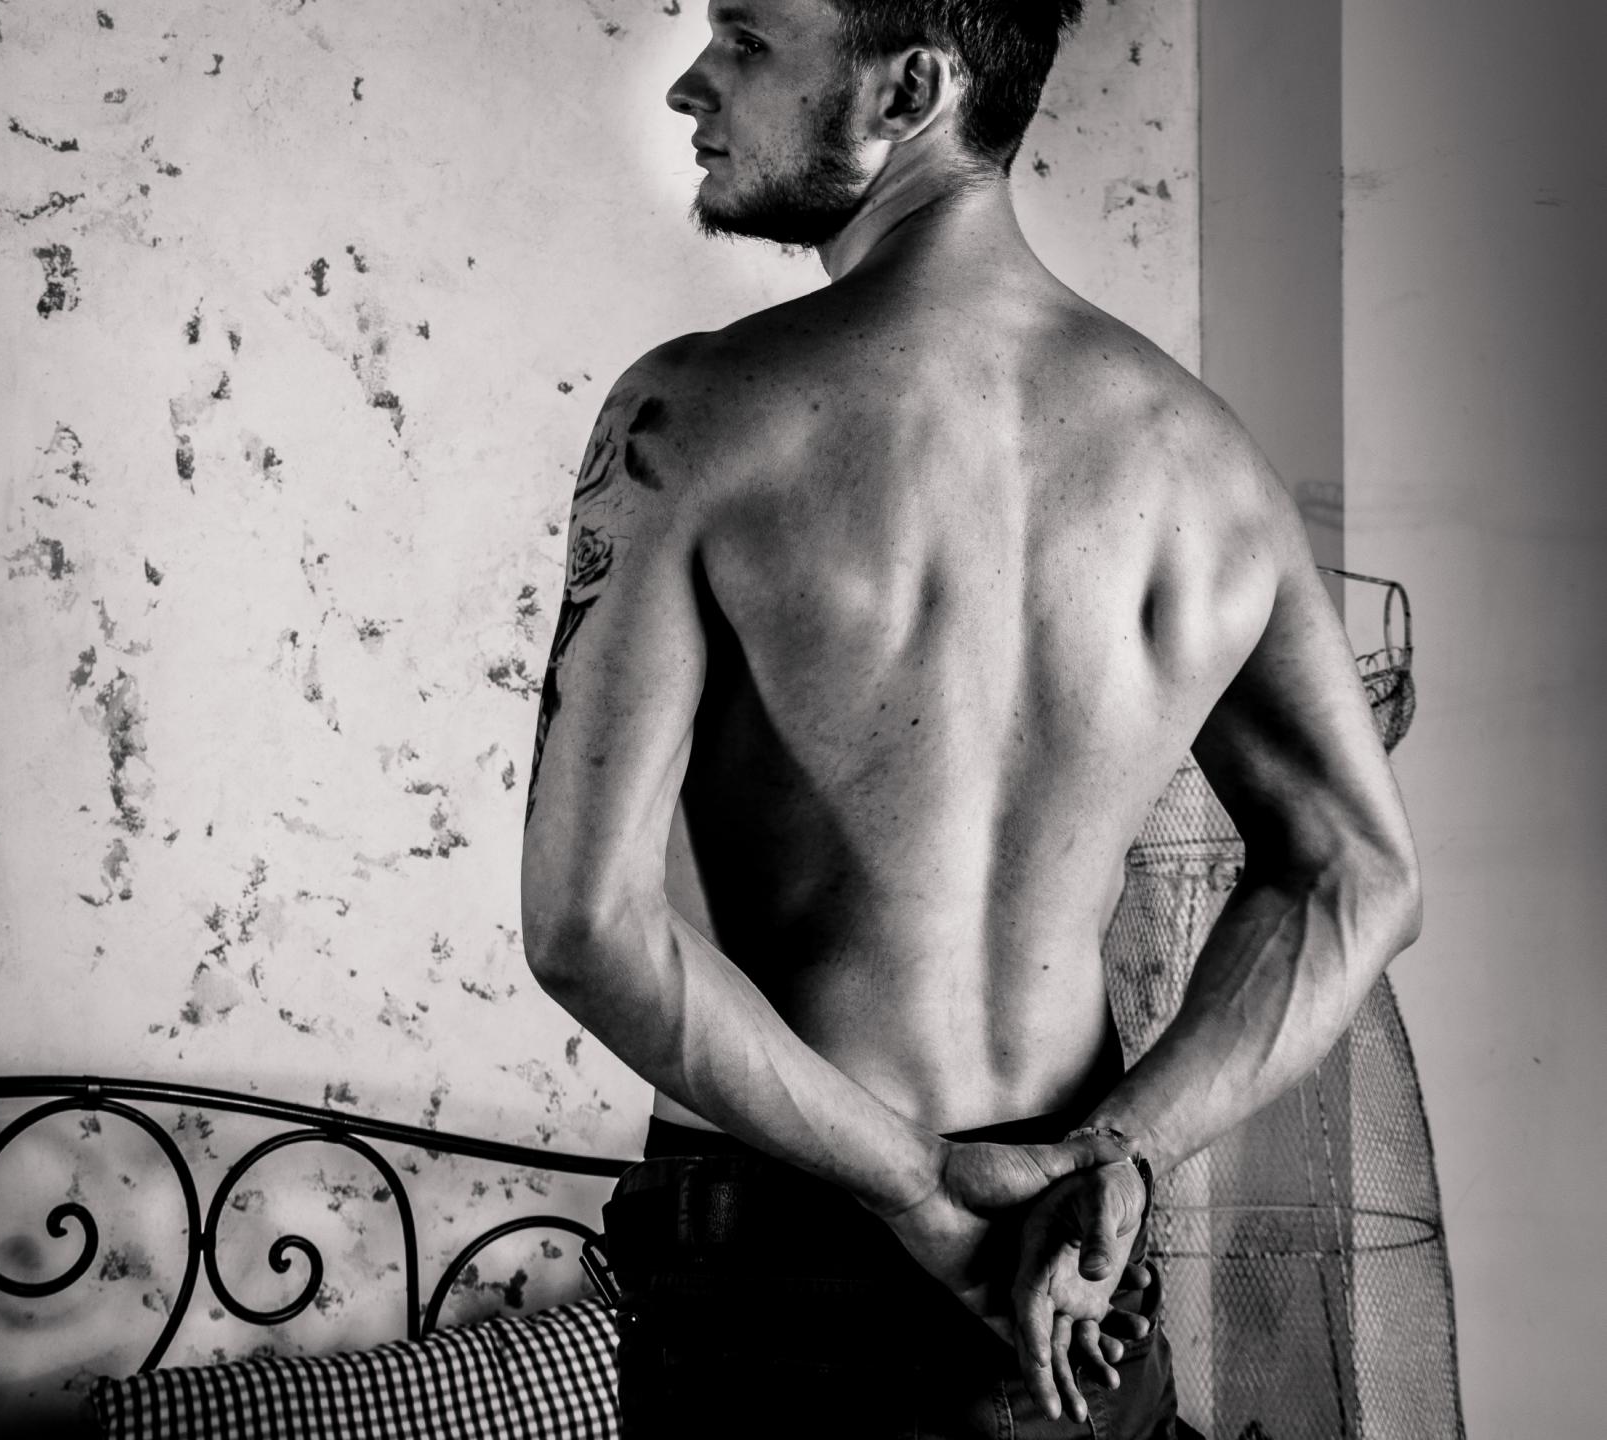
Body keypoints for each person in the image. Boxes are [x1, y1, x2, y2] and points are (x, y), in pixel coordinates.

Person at [518, 1, 1422, 1435]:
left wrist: (917, 1185)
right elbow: (1358, 875)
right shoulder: (1203, 459)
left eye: (747, 38)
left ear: (911, 89)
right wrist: (1119, 1150)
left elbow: (586, 926)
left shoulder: (697, 418)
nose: (691, 81)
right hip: (1065, 1253)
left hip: (792, 1240)